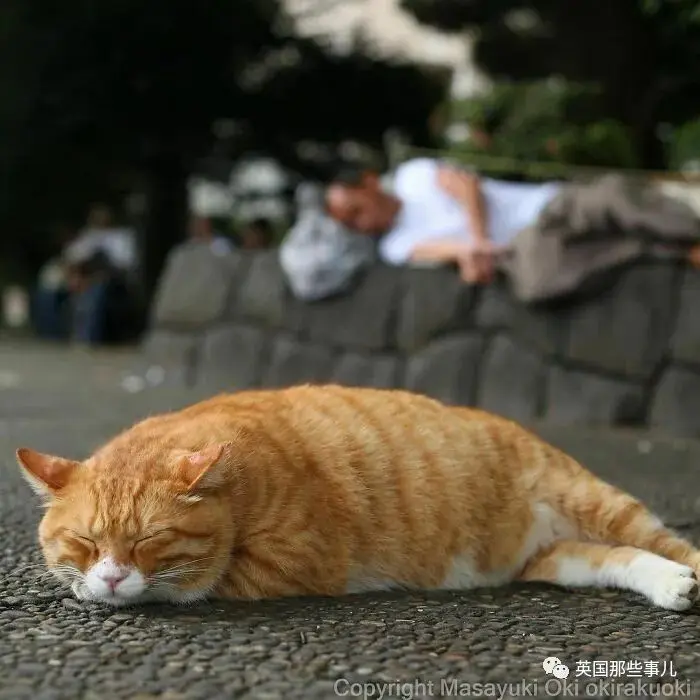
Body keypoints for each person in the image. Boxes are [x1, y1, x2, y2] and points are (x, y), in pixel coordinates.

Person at [326, 158, 563, 285]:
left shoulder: (411, 174)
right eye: (352, 225)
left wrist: (480, 239)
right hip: (530, 248)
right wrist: (472, 257)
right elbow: (454, 251)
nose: (363, 225)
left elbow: (466, 185)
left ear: (369, 183)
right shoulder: (393, 247)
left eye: (356, 211)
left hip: (546, 205)